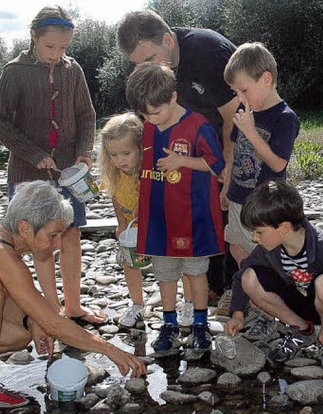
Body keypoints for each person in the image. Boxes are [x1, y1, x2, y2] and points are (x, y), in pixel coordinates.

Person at [0, 181, 147, 408]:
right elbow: (52, 322)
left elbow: (20, 299)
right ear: (24, 227)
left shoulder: (2, 238)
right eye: (53, 235)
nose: (58, 245)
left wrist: (32, 319)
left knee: (20, 334)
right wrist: (113, 351)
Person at [0, 5, 105, 325]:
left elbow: (87, 116)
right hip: (28, 173)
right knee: (39, 241)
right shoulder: (14, 71)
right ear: (33, 36)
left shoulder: (74, 70)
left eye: (64, 47)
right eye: (50, 46)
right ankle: (52, 310)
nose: (56, 54)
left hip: (70, 173)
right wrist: (33, 153)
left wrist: (84, 152)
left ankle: (74, 306)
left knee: (70, 235)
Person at [117, 9, 240, 309]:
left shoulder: (207, 51)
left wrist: (227, 169)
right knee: (201, 205)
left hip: (238, 130)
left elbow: (234, 118)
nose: (145, 68)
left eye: (149, 59)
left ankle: (239, 291)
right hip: (194, 141)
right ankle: (210, 285)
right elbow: (154, 124)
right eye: (138, 64)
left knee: (233, 207)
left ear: (168, 41)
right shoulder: (155, 71)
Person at [125, 63, 225, 352]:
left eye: (156, 112)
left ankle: (200, 324)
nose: (151, 119)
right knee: (165, 273)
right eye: (145, 114)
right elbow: (142, 166)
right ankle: (169, 323)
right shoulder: (147, 128)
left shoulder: (199, 125)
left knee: (196, 272)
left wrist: (182, 161)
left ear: (172, 97)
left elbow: (216, 164)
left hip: (193, 217)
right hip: (158, 218)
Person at [224, 179, 323, 365]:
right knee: (249, 277)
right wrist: (238, 315)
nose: (255, 238)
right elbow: (240, 277)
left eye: (259, 232)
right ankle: (302, 331)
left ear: (284, 228)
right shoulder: (270, 247)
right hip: (305, 303)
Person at [97, 113, 195, 328]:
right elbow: (115, 196)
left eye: (126, 153)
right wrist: (121, 223)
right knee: (129, 263)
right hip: (133, 228)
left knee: (177, 262)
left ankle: (188, 302)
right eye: (113, 155)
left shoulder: (151, 170)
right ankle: (137, 304)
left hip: (161, 224)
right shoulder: (115, 173)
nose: (120, 160)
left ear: (141, 149)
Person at [222, 42, 300, 268]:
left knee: (263, 252)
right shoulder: (244, 111)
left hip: (264, 203)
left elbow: (278, 164)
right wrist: (226, 186)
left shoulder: (285, 118)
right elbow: (235, 151)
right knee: (236, 245)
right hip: (237, 196)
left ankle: (263, 295)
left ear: (266, 79)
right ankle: (245, 291)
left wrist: (251, 131)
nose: (239, 98)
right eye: (235, 92)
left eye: (243, 90)